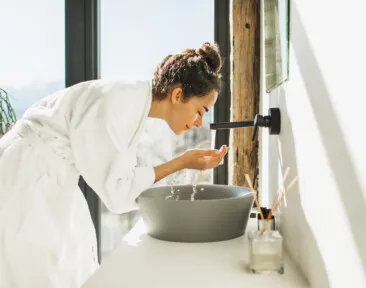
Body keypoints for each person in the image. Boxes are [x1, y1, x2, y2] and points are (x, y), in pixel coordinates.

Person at [0, 42, 229, 287]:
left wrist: (181, 163)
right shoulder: (117, 103)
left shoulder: (133, 103)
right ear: (177, 95)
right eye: (200, 110)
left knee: (70, 263)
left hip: (50, 173)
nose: (198, 122)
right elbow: (118, 194)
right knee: (37, 270)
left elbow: (123, 180)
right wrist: (181, 162)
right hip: (26, 174)